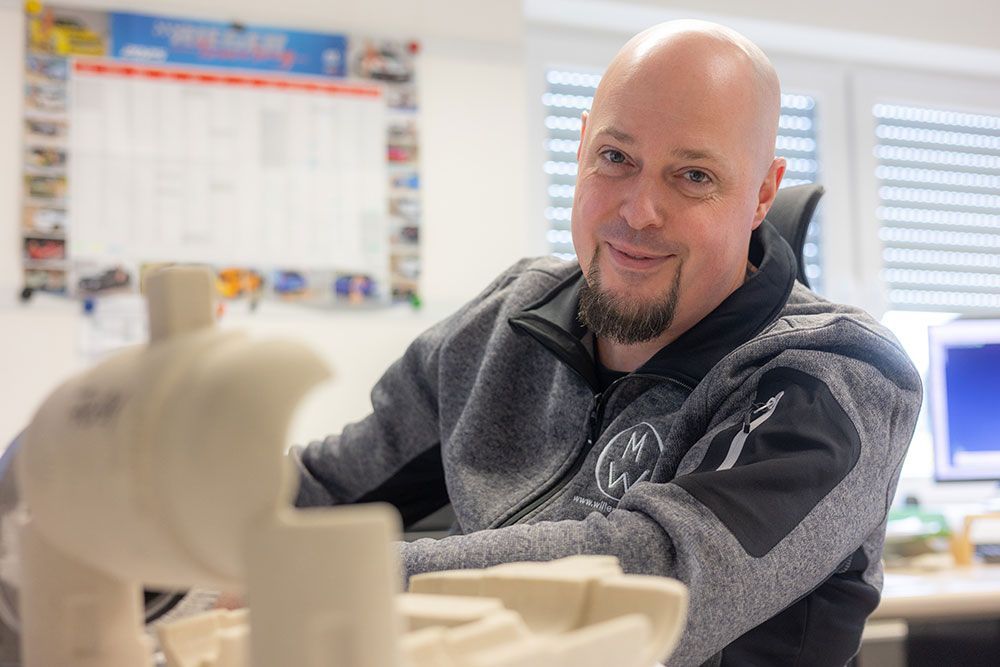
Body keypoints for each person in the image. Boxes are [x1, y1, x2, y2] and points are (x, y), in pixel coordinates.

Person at [294, 20, 921, 666]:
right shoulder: (503, 322)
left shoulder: (839, 373)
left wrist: (336, 581)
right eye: (616, 158)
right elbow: (322, 487)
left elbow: (653, 577)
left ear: (762, 192)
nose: (638, 211)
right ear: (583, 149)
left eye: (694, 175)